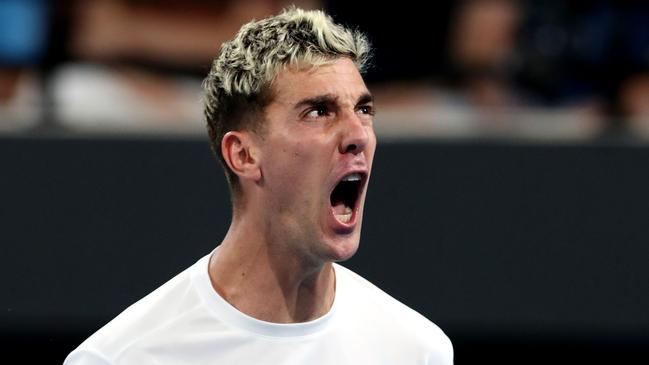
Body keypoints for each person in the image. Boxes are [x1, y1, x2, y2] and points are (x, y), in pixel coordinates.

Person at [64, 7, 453, 365]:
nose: (359, 135)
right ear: (243, 155)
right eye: (318, 111)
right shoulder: (120, 358)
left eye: (363, 110)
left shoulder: (417, 351)